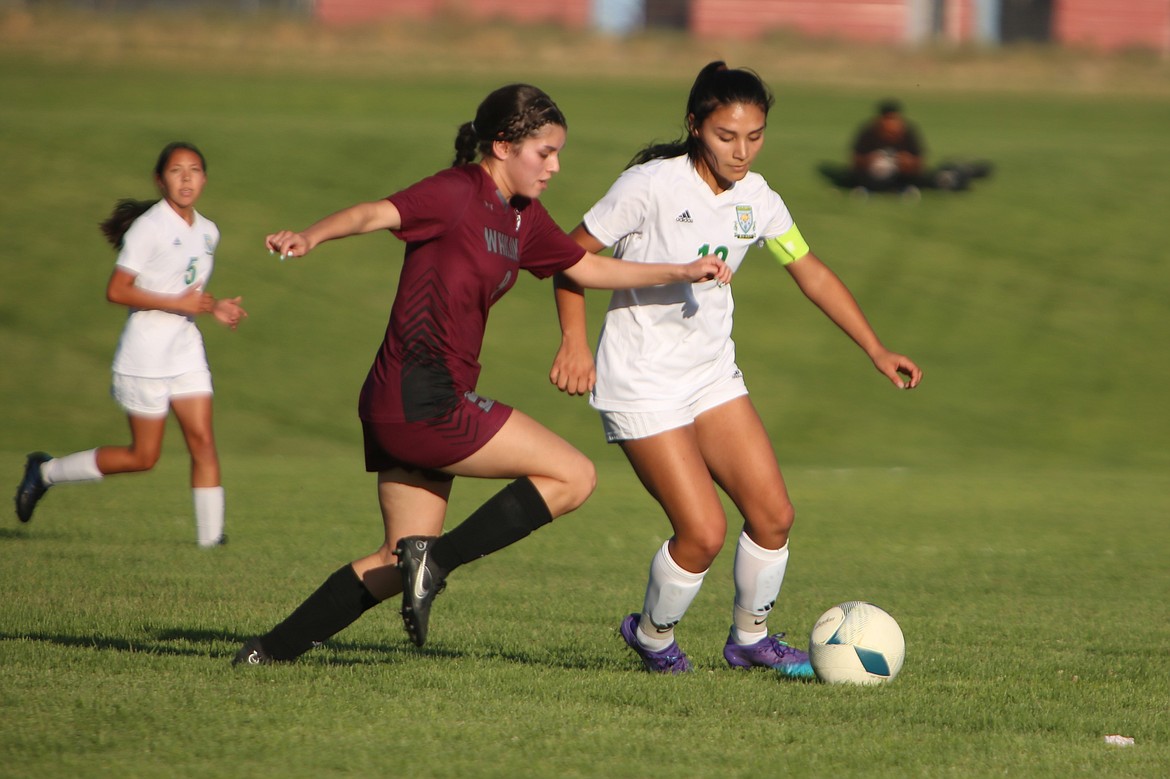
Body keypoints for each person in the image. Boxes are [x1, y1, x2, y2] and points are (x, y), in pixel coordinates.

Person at [233, 83, 730, 666]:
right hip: (422, 396)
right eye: (543, 152)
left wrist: (682, 269)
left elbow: (586, 268)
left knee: (396, 558)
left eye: (557, 152)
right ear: (501, 146)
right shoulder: (456, 191)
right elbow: (377, 212)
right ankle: (435, 562)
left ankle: (269, 651)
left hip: (410, 400)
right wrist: (311, 235)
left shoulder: (524, 219)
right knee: (572, 476)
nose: (554, 165)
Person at [549, 63, 923, 676]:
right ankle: (652, 636)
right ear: (695, 126)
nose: (741, 151)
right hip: (641, 383)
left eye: (755, 136)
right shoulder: (649, 186)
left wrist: (875, 349)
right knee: (702, 534)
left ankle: (751, 640)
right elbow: (568, 260)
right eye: (727, 136)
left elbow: (811, 271)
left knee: (774, 516)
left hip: (710, 377)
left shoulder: (758, 198)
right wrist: (574, 344)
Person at [13, 141, 247, 547]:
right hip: (145, 356)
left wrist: (215, 306)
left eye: (194, 169)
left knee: (203, 442)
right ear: (160, 180)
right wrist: (177, 303)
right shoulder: (149, 228)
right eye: (176, 170)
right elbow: (118, 290)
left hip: (185, 350)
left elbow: (184, 287)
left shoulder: (209, 231)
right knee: (144, 457)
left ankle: (211, 543)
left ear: (205, 179)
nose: (187, 177)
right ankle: (45, 472)